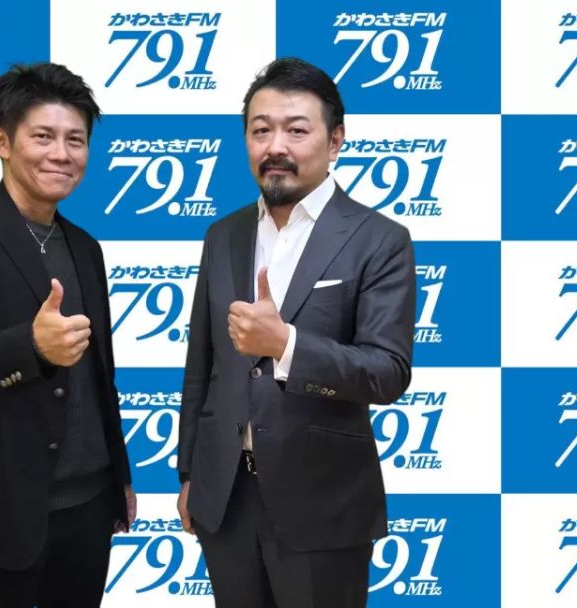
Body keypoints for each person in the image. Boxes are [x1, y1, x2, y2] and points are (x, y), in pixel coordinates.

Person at [176, 57, 416, 607]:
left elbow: (387, 372)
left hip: (322, 503)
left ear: (335, 141)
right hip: (224, 499)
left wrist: (286, 345)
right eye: (260, 130)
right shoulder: (224, 234)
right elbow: (201, 366)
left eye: (297, 130)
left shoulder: (380, 239)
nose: (275, 146)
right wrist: (190, 474)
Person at [0, 62, 135, 608]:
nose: (62, 154)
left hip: (90, 504)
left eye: (76, 140)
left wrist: (119, 478)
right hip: (0, 509)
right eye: (43, 137)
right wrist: (30, 348)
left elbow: (99, 377)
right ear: (3, 141)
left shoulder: (86, 247)